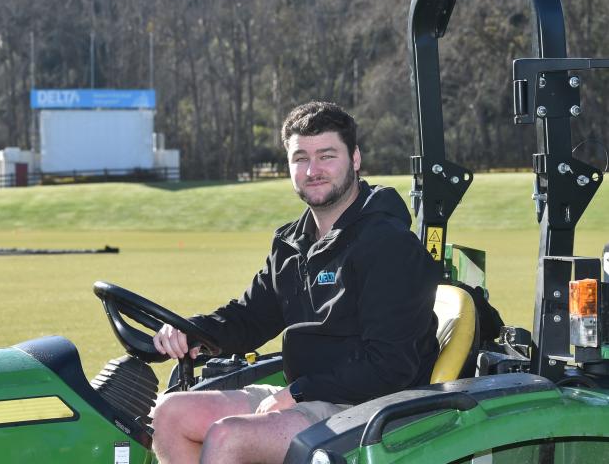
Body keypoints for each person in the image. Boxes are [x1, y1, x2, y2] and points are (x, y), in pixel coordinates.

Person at [151, 101, 439, 464]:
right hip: (307, 396)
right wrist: (193, 330)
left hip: (368, 407)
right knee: (170, 413)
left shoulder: (389, 244)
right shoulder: (292, 244)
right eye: (301, 157)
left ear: (355, 159)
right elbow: (250, 318)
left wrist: (298, 393)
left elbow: (390, 366)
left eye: (326, 155)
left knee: (228, 437)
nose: (313, 169)